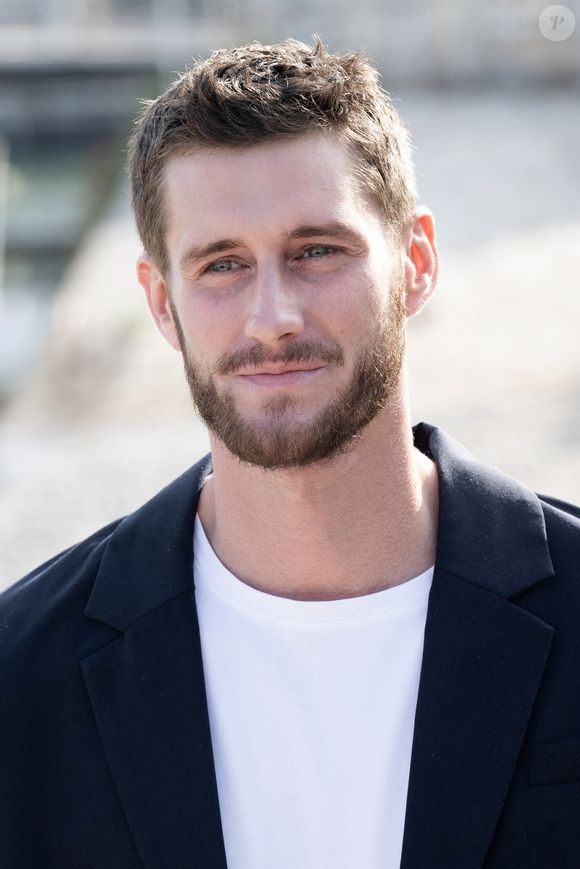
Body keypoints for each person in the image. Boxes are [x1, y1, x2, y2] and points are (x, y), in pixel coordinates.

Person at [1, 36, 579, 869]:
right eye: (222, 264)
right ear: (162, 303)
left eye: (316, 251)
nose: (271, 316)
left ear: (414, 263)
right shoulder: (23, 677)